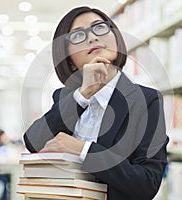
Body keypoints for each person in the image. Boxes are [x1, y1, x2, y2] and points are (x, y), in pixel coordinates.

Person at [23, 6, 169, 200]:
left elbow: (147, 183)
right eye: (77, 36)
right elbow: (33, 141)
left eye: (99, 27)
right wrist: (83, 94)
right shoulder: (65, 98)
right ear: (70, 60)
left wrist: (83, 149)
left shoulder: (147, 101)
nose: (92, 37)